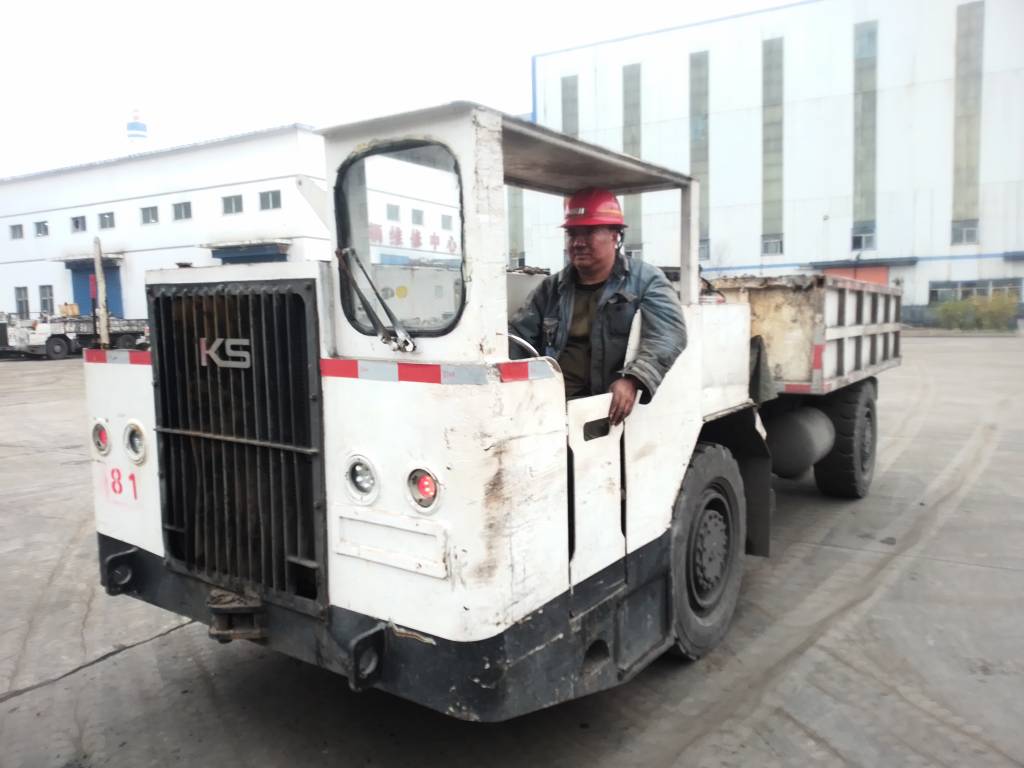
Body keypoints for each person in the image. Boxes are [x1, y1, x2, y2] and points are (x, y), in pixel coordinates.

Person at [510, 188, 687, 425]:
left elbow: (668, 335)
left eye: (589, 232)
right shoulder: (550, 289)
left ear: (615, 236)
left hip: (604, 411)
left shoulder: (646, 281)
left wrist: (633, 379)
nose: (578, 242)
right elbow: (518, 337)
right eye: (572, 234)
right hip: (551, 407)